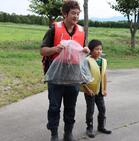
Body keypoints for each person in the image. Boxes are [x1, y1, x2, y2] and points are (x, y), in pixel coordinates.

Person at [40, 1, 89, 141]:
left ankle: (68, 133)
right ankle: (54, 134)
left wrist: (86, 51)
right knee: (54, 107)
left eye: (78, 14)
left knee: (70, 107)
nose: (76, 16)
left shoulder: (81, 31)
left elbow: (83, 50)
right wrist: (55, 49)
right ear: (64, 14)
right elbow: (42, 51)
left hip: (73, 76)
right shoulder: (54, 29)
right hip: (55, 76)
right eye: (73, 13)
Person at [81, 39, 112, 138]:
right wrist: (87, 89)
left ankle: (101, 126)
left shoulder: (102, 61)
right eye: (96, 49)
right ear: (90, 50)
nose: (99, 51)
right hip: (90, 91)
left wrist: (105, 89)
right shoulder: (86, 61)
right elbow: (82, 76)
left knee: (102, 109)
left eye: (100, 49)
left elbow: (104, 76)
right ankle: (89, 128)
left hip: (100, 90)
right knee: (90, 110)